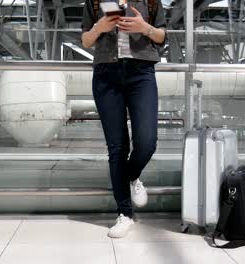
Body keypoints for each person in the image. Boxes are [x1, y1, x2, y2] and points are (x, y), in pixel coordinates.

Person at [81, 0, 167, 238]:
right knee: (117, 148)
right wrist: (99, 27)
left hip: (141, 73)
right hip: (106, 75)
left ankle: (131, 175)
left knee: (147, 141)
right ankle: (125, 213)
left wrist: (144, 27)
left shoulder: (150, 1)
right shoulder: (95, 1)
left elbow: (161, 36)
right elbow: (86, 40)